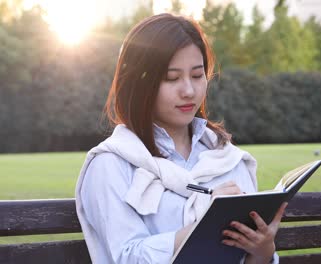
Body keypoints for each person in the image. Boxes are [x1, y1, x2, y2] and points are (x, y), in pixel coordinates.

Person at [75, 13, 286, 264]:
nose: (188, 90)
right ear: (138, 84)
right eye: (171, 78)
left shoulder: (227, 158)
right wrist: (204, 225)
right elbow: (125, 257)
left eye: (197, 76)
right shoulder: (111, 165)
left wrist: (262, 252)